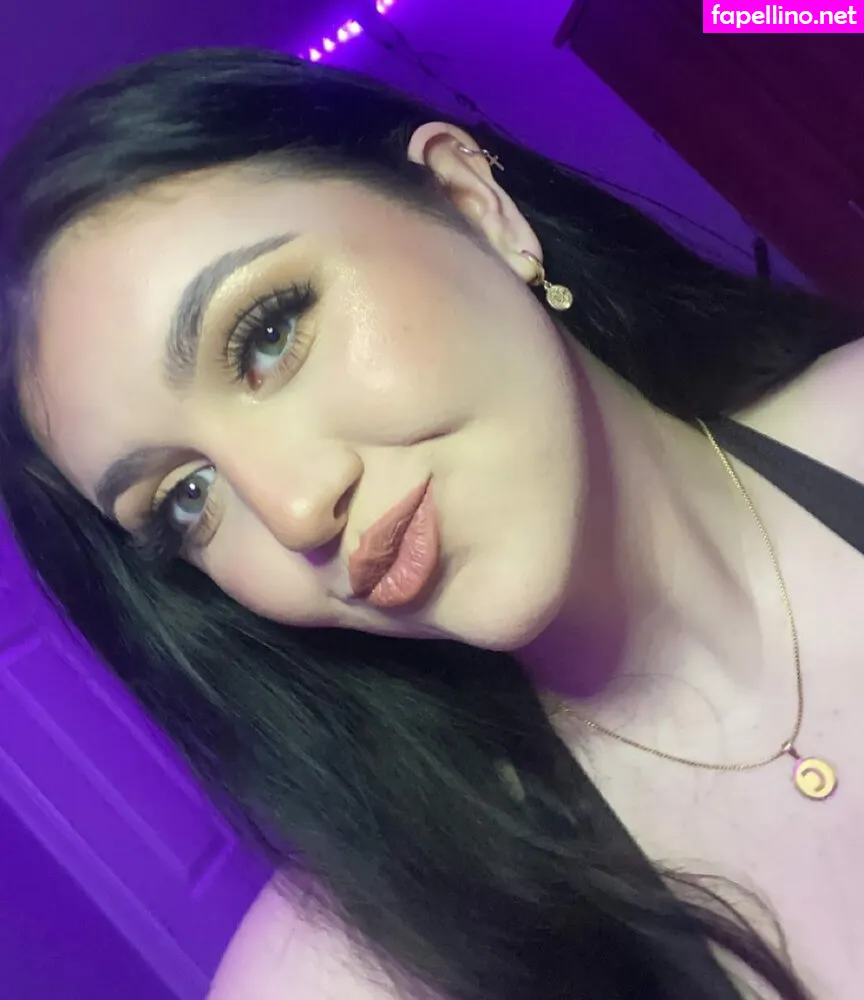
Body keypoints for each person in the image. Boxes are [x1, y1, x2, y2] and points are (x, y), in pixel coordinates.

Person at [0, 47, 860, 1000]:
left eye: (268, 334)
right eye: (186, 498)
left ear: (473, 205)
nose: (293, 510)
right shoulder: (352, 973)